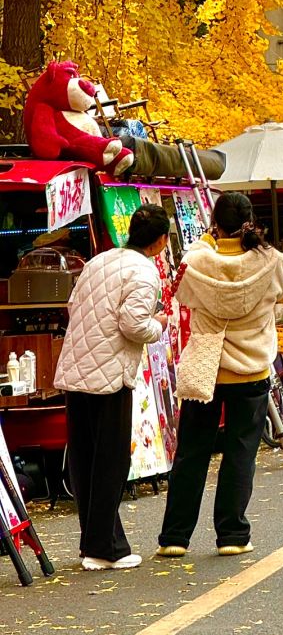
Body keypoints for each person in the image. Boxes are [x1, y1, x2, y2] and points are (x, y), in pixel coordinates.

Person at [156, 192, 283, 559]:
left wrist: (206, 239)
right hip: (251, 368)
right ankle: (232, 534)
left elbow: (180, 292)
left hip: (207, 371)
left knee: (191, 454)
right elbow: (280, 296)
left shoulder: (196, 260)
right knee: (241, 453)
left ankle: (175, 537)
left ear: (215, 222)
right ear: (250, 220)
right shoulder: (273, 261)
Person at [55, 204, 170, 570]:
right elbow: (134, 324)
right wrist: (160, 325)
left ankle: (93, 544)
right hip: (108, 376)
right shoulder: (145, 271)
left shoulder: (99, 261)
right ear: (161, 240)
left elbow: (73, 306)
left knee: (85, 459)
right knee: (110, 460)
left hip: (77, 369)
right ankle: (106, 548)